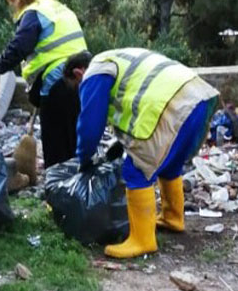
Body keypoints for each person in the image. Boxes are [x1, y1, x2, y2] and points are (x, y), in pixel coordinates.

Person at [63, 48, 219, 258]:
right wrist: (120, 143)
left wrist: (84, 157)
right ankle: (173, 218)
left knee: (136, 168)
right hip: (197, 96)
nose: (79, 91)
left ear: (78, 73)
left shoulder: (95, 72)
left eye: (76, 87)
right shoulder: (117, 58)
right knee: (170, 163)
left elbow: (90, 125)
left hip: (168, 105)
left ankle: (142, 240)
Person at [0, 0, 88, 169]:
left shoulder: (33, 13)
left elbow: (21, 45)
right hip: (81, 78)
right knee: (73, 134)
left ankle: (58, 187)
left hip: (57, 81)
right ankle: (77, 182)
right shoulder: (58, 8)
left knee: (55, 140)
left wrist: (0, 65)